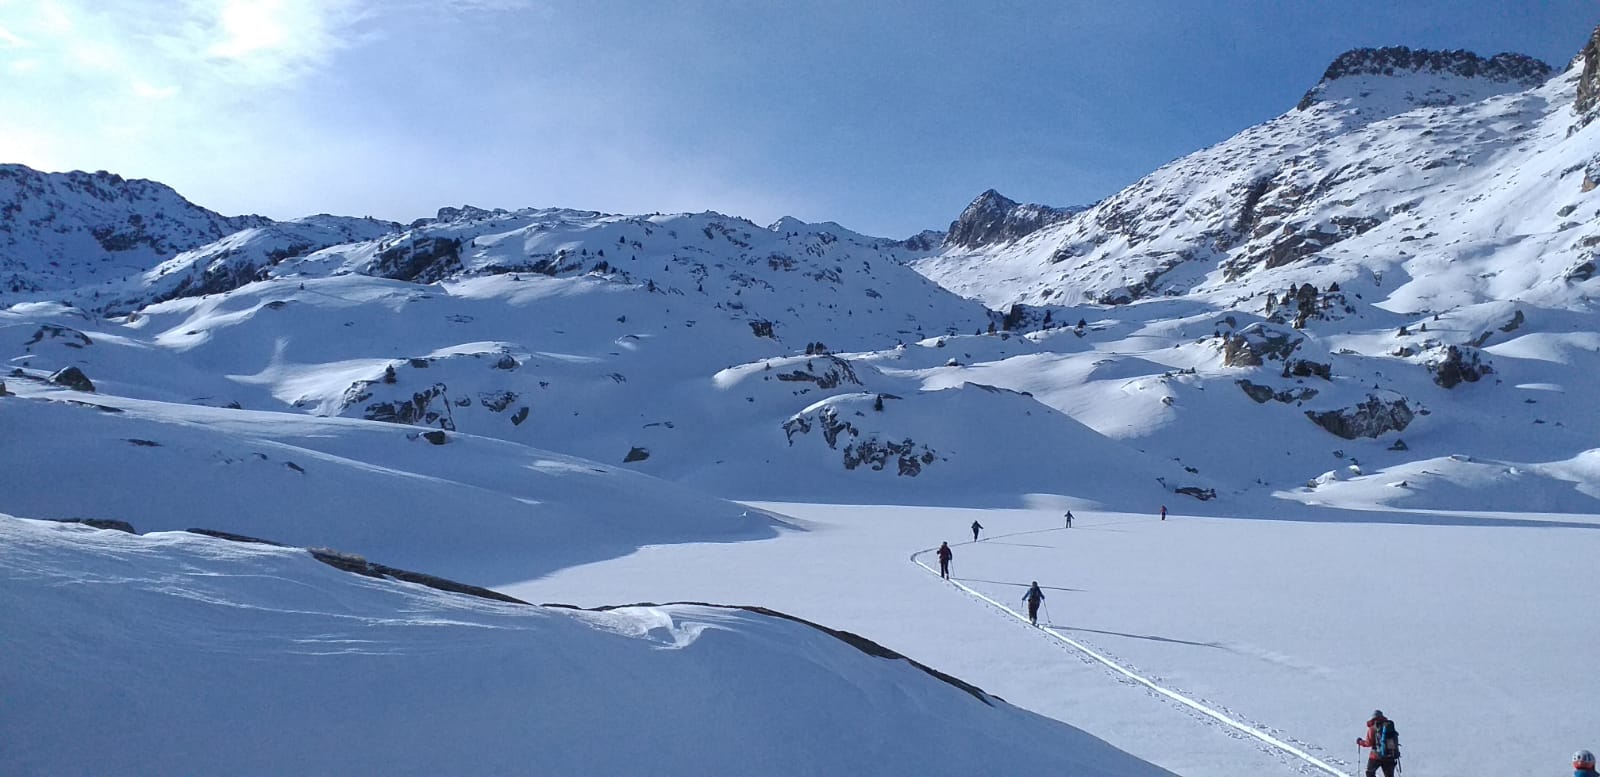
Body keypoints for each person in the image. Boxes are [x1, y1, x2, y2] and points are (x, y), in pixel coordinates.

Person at [1356, 709, 1399, 777]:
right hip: (1389, 756)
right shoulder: (1388, 726)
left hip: (1375, 756)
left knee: (1369, 773)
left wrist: (1360, 742)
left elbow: (1369, 743)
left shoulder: (1373, 728)